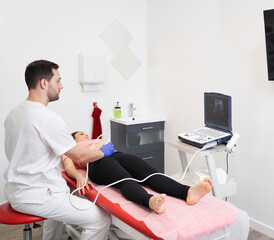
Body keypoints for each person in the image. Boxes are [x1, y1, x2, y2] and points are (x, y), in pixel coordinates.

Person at [3, 60, 116, 240]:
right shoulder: (47, 119)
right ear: (44, 83)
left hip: (16, 190)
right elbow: (80, 155)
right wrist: (105, 150)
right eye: (58, 80)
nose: (61, 85)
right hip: (37, 195)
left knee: (57, 212)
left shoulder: (14, 112)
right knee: (101, 219)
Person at [63, 131, 214, 214]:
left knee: (150, 173)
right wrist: (78, 176)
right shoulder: (71, 148)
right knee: (125, 179)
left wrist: (106, 148)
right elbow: (69, 167)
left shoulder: (99, 140)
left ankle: (187, 192)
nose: (87, 136)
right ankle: (150, 202)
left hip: (116, 155)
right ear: (74, 139)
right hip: (96, 163)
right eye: (82, 134)